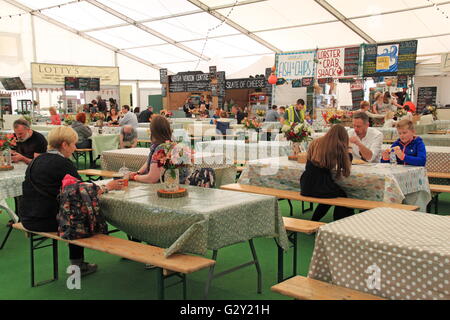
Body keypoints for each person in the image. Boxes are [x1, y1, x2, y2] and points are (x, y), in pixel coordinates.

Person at [19, 126, 125, 276]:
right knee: (76, 212)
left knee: (70, 207)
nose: (75, 148)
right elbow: (82, 194)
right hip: (47, 220)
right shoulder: (63, 164)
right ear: (64, 144)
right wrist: (108, 187)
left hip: (28, 217)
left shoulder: (36, 161)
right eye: (73, 144)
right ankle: (78, 264)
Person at [300, 124, 354, 221]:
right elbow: (346, 169)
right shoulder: (338, 146)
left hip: (305, 184)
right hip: (321, 184)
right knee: (342, 196)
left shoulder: (315, 142)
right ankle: (339, 220)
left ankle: (314, 219)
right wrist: (349, 150)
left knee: (329, 197)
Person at [129, 115, 184, 183]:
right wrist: (138, 173)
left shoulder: (162, 148)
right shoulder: (169, 144)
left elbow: (152, 178)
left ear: (153, 130)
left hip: (170, 187)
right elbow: (149, 162)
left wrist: (135, 177)